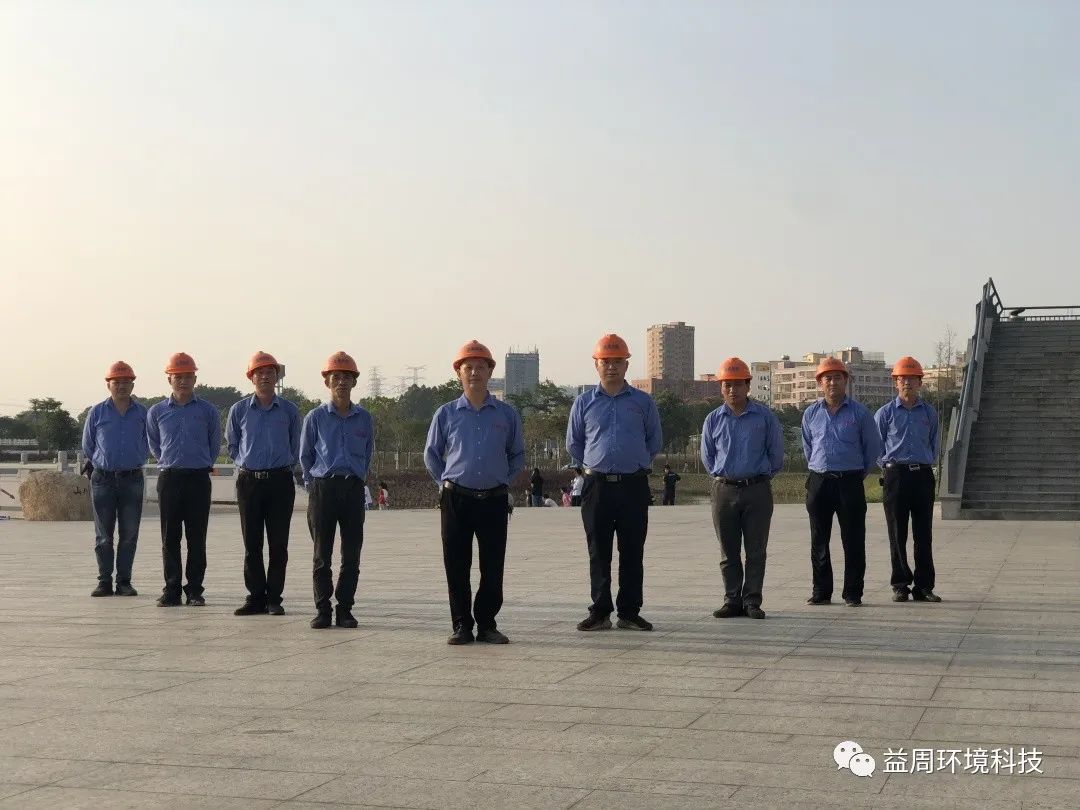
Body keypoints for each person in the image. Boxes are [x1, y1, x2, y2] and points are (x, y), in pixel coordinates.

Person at [425, 340, 525, 645]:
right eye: (468, 367)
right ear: (459, 373)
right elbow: (432, 453)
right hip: (456, 499)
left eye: (481, 367)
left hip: (494, 499)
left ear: (490, 371)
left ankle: (487, 624)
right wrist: (443, 483)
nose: (474, 372)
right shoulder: (446, 414)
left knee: (492, 566)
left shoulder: (506, 415)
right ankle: (461, 625)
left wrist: (504, 481)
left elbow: (517, 454)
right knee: (456, 565)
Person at [566, 333, 662, 632]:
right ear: (596, 364)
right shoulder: (584, 402)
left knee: (633, 550)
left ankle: (630, 612)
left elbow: (654, 441)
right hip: (597, 487)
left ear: (626, 364)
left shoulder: (642, 402)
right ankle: (600, 610)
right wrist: (596, 464)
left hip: (633, 485)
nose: (611, 367)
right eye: (606, 362)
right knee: (599, 551)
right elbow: (574, 444)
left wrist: (633, 463)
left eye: (617, 361)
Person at [700, 357, 784, 620]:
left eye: (738, 384)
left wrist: (760, 476)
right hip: (724, 490)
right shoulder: (713, 420)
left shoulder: (765, 417)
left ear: (748, 386)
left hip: (757, 490)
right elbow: (708, 456)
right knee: (728, 551)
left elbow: (776, 454)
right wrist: (721, 476)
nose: (732, 390)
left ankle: (752, 601)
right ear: (721, 388)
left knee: (756, 550)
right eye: (727, 385)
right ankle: (732, 599)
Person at [300, 351, 374, 629]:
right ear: (327, 382)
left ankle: (345, 608)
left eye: (347, 377)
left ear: (354, 382)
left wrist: (358, 477)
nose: (341, 382)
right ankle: (323, 609)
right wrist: (313, 485)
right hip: (324, 489)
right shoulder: (316, 417)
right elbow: (305, 456)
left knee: (352, 554)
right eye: (336, 377)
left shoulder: (364, 418)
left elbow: (368, 452)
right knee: (322, 555)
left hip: (352, 488)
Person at [801, 357, 881, 607]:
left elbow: (872, 449)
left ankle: (853, 592)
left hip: (849, 482)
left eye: (837, 377)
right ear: (820, 383)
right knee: (818, 540)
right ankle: (821, 591)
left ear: (846, 381)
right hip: (819, 482)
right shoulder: (811, 414)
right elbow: (808, 447)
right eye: (827, 378)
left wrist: (857, 474)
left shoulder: (860, 413)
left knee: (854, 540)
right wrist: (819, 469)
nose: (832, 382)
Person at [226, 351, 301, 617]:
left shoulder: (290, 411)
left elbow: (296, 445)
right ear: (251, 377)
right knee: (252, 543)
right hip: (250, 482)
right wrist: (246, 463)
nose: (266, 376)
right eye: (260, 372)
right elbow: (233, 445)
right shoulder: (239, 410)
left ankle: (274, 597)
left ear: (277, 376)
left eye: (270, 372)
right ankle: (255, 596)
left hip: (280, 481)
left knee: (278, 544)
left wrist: (284, 465)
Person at [147, 352, 221, 607]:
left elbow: (214, 445)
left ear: (195, 379)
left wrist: (200, 463)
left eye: (187, 376)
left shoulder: (207, 411)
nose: (183, 381)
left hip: (198, 479)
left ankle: (195, 590)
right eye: (178, 377)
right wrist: (170, 461)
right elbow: (154, 445)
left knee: (197, 537)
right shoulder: (157, 412)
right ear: (169, 379)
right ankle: (171, 589)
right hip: (170, 479)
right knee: (170, 537)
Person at [876, 356, 942, 603]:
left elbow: (934, 442)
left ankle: (924, 586)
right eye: (902, 379)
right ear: (896, 382)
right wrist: (888, 466)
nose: (907, 383)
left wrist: (926, 462)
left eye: (912, 379)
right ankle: (901, 584)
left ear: (920, 383)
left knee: (924, 533)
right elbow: (876, 445)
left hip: (923, 475)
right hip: (896, 476)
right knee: (897, 533)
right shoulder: (885, 413)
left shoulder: (929, 413)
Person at [82, 361, 149, 597]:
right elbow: (88, 445)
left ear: (132, 384)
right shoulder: (97, 412)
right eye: (116, 381)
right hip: (103, 479)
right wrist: (103, 461)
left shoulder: (142, 413)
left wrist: (138, 456)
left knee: (129, 534)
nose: (121, 386)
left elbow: (150, 440)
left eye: (125, 381)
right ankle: (104, 581)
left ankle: (124, 581)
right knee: (103, 535)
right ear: (108, 384)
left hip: (132, 478)